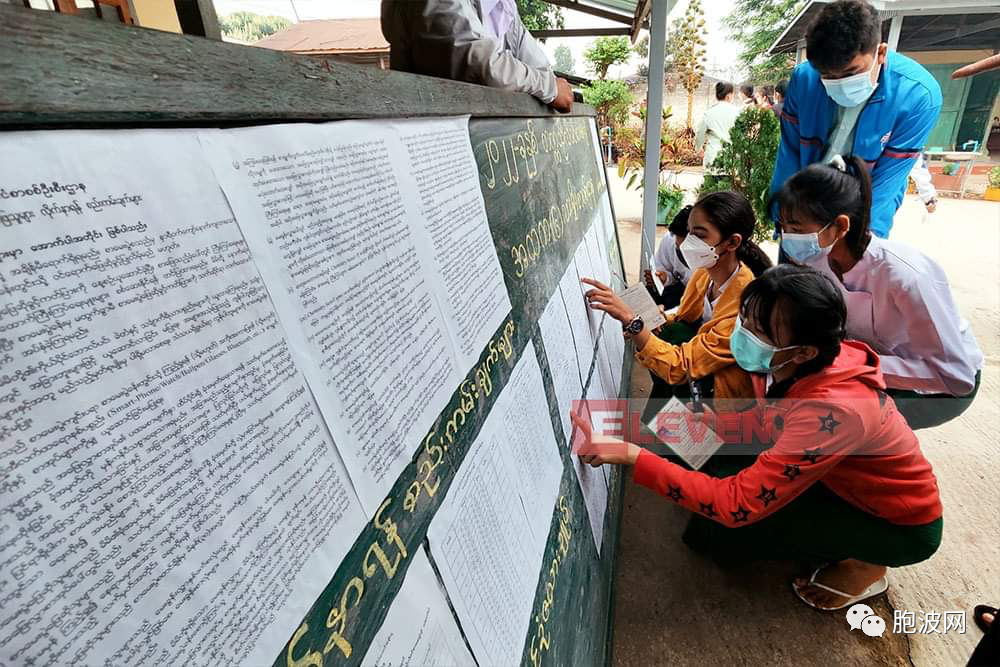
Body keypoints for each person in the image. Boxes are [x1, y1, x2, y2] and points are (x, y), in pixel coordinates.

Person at [573, 264, 943, 611]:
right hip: (832, 475)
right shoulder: (793, 364)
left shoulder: (835, 410)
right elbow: (757, 425)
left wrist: (632, 455)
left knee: (718, 533)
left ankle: (867, 566)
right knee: (688, 452)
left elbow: (735, 504)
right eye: (745, 319)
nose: (743, 333)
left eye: (758, 331)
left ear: (804, 351)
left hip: (894, 523)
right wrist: (634, 431)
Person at [773, 155, 982, 429]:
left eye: (797, 229)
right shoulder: (817, 259)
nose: (787, 237)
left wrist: (853, 364)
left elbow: (956, 376)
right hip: (865, 359)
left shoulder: (906, 276)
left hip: (939, 383)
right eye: (784, 228)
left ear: (840, 226)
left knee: (833, 422)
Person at [582, 191, 772, 415]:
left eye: (700, 236)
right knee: (672, 333)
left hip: (724, 397)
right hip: (699, 373)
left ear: (732, 242)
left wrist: (633, 322)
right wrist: (650, 320)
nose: (687, 245)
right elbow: (683, 316)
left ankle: (694, 437)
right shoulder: (704, 275)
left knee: (671, 346)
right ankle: (667, 432)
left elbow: (681, 366)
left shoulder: (746, 307)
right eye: (689, 233)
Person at [769, 0, 942, 238]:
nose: (838, 83)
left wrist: (863, 238)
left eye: (850, 73)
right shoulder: (805, 79)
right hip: (805, 202)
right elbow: (789, 154)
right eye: (827, 76)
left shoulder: (918, 96)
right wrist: (784, 217)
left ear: (880, 52)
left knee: (850, 269)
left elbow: (886, 182)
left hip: (865, 202)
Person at [380, 0, 574, 112]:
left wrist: (548, 86)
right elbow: (477, 61)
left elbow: (542, 69)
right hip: (435, 148)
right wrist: (548, 88)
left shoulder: (503, 7)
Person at [644, 205, 692, 311]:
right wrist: (664, 278)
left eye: (685, 250)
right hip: (678, 291)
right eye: (678, 248)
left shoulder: (710, 260)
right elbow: (665, 269)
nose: (680, 251)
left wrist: (668, 312)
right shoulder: (670, 239)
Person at [695, 82, 743, 183]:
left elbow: (700, 133)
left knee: (710, 193)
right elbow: (743, 134)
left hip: (712, 157)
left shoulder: (709, 113)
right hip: (731, 159)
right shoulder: (738, 112)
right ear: (729, 96)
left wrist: (698, 149)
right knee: (728, 195)